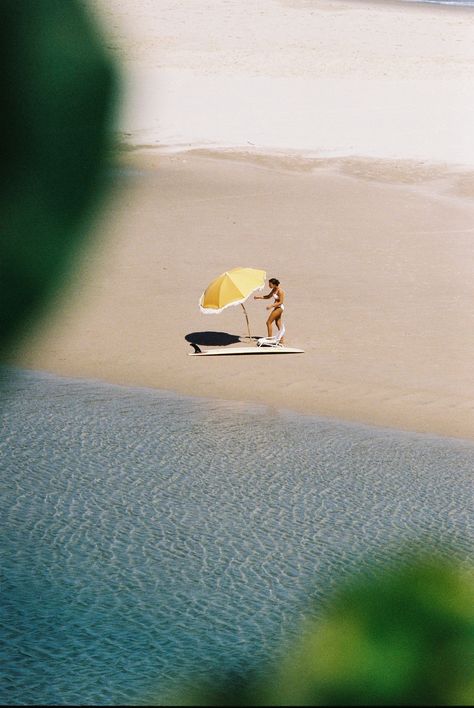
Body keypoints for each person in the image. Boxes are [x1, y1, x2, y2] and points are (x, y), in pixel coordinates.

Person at [254, 278, 285, 344]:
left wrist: (271, 306)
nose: (269, 285)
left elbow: (281, 302)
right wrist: (259, 297)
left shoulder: (280, 291)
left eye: (270, 284)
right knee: (277, 323)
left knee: (268, 322)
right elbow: (268, 296)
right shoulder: (274, 290)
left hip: (279, 308)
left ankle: (269, 339)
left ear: (274, 284)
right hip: (277, 307)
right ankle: (281, 339)